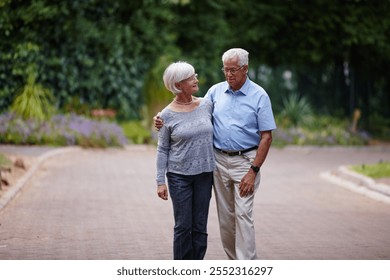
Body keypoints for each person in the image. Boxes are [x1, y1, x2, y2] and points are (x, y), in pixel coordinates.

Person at [155, 48, 276, 260]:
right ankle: (232, 261)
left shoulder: (259, 96)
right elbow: (186, 110)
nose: (228, 74)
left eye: (233, 70)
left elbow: (266, 137)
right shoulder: (215, 93)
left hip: (244, 163)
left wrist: (253, 170)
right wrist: (160, 119)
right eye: (225, 70)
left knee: (243, 215)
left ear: (245, 69)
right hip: (217, 163)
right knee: (225, 219)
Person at [156, 61, 215, 260]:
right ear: (178, 84)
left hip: (205, 175)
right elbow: (162, 149)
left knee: (200, 227)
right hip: (179, 177)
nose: (196, 79)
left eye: (194, 75)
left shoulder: (206, 104)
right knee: (183, 226)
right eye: (191, 77)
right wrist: (160, 181)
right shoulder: (166, 115)